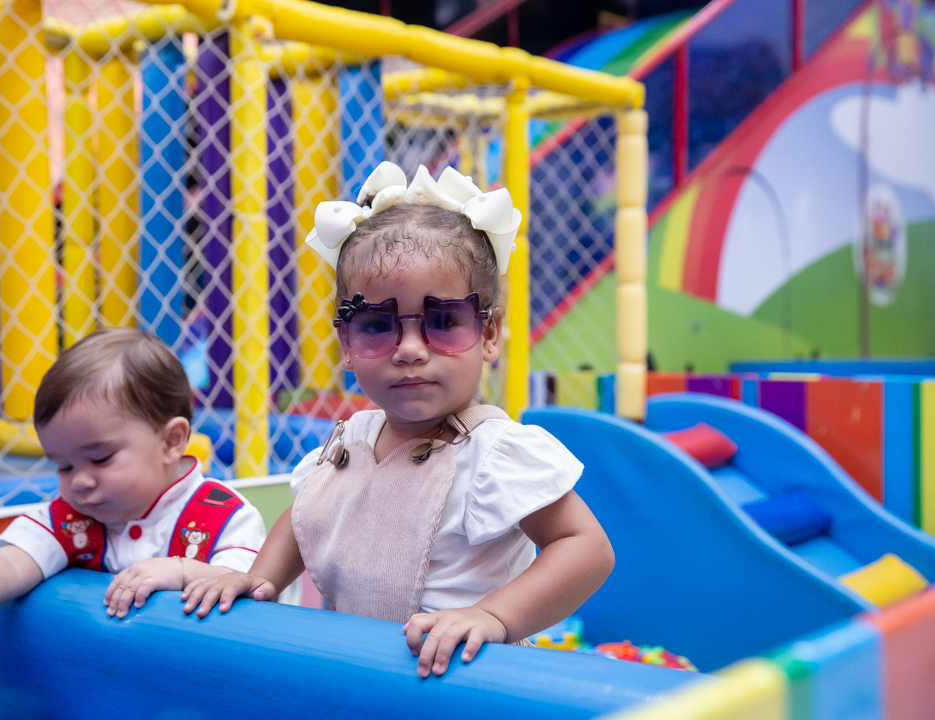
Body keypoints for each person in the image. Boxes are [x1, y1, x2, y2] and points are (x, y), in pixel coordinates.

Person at [180, 162, 614, 678]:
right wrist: (261, 577)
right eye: (377, 325)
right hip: (360, 675)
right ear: (345, 342)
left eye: (443, 321)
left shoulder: (493, 451)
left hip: (463, 680)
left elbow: (585, 547)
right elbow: (305, 518)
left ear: (491, 333)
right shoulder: (349, 441)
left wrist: (493, 616)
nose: (410, 350)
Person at [0, 328, 266, 647]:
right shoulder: (73, 519)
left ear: (171, 441)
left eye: (101, 459)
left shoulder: (221, 515)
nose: (80, 481)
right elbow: (8, 562)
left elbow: (248, 584)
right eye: (63, 466)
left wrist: (180, 571)